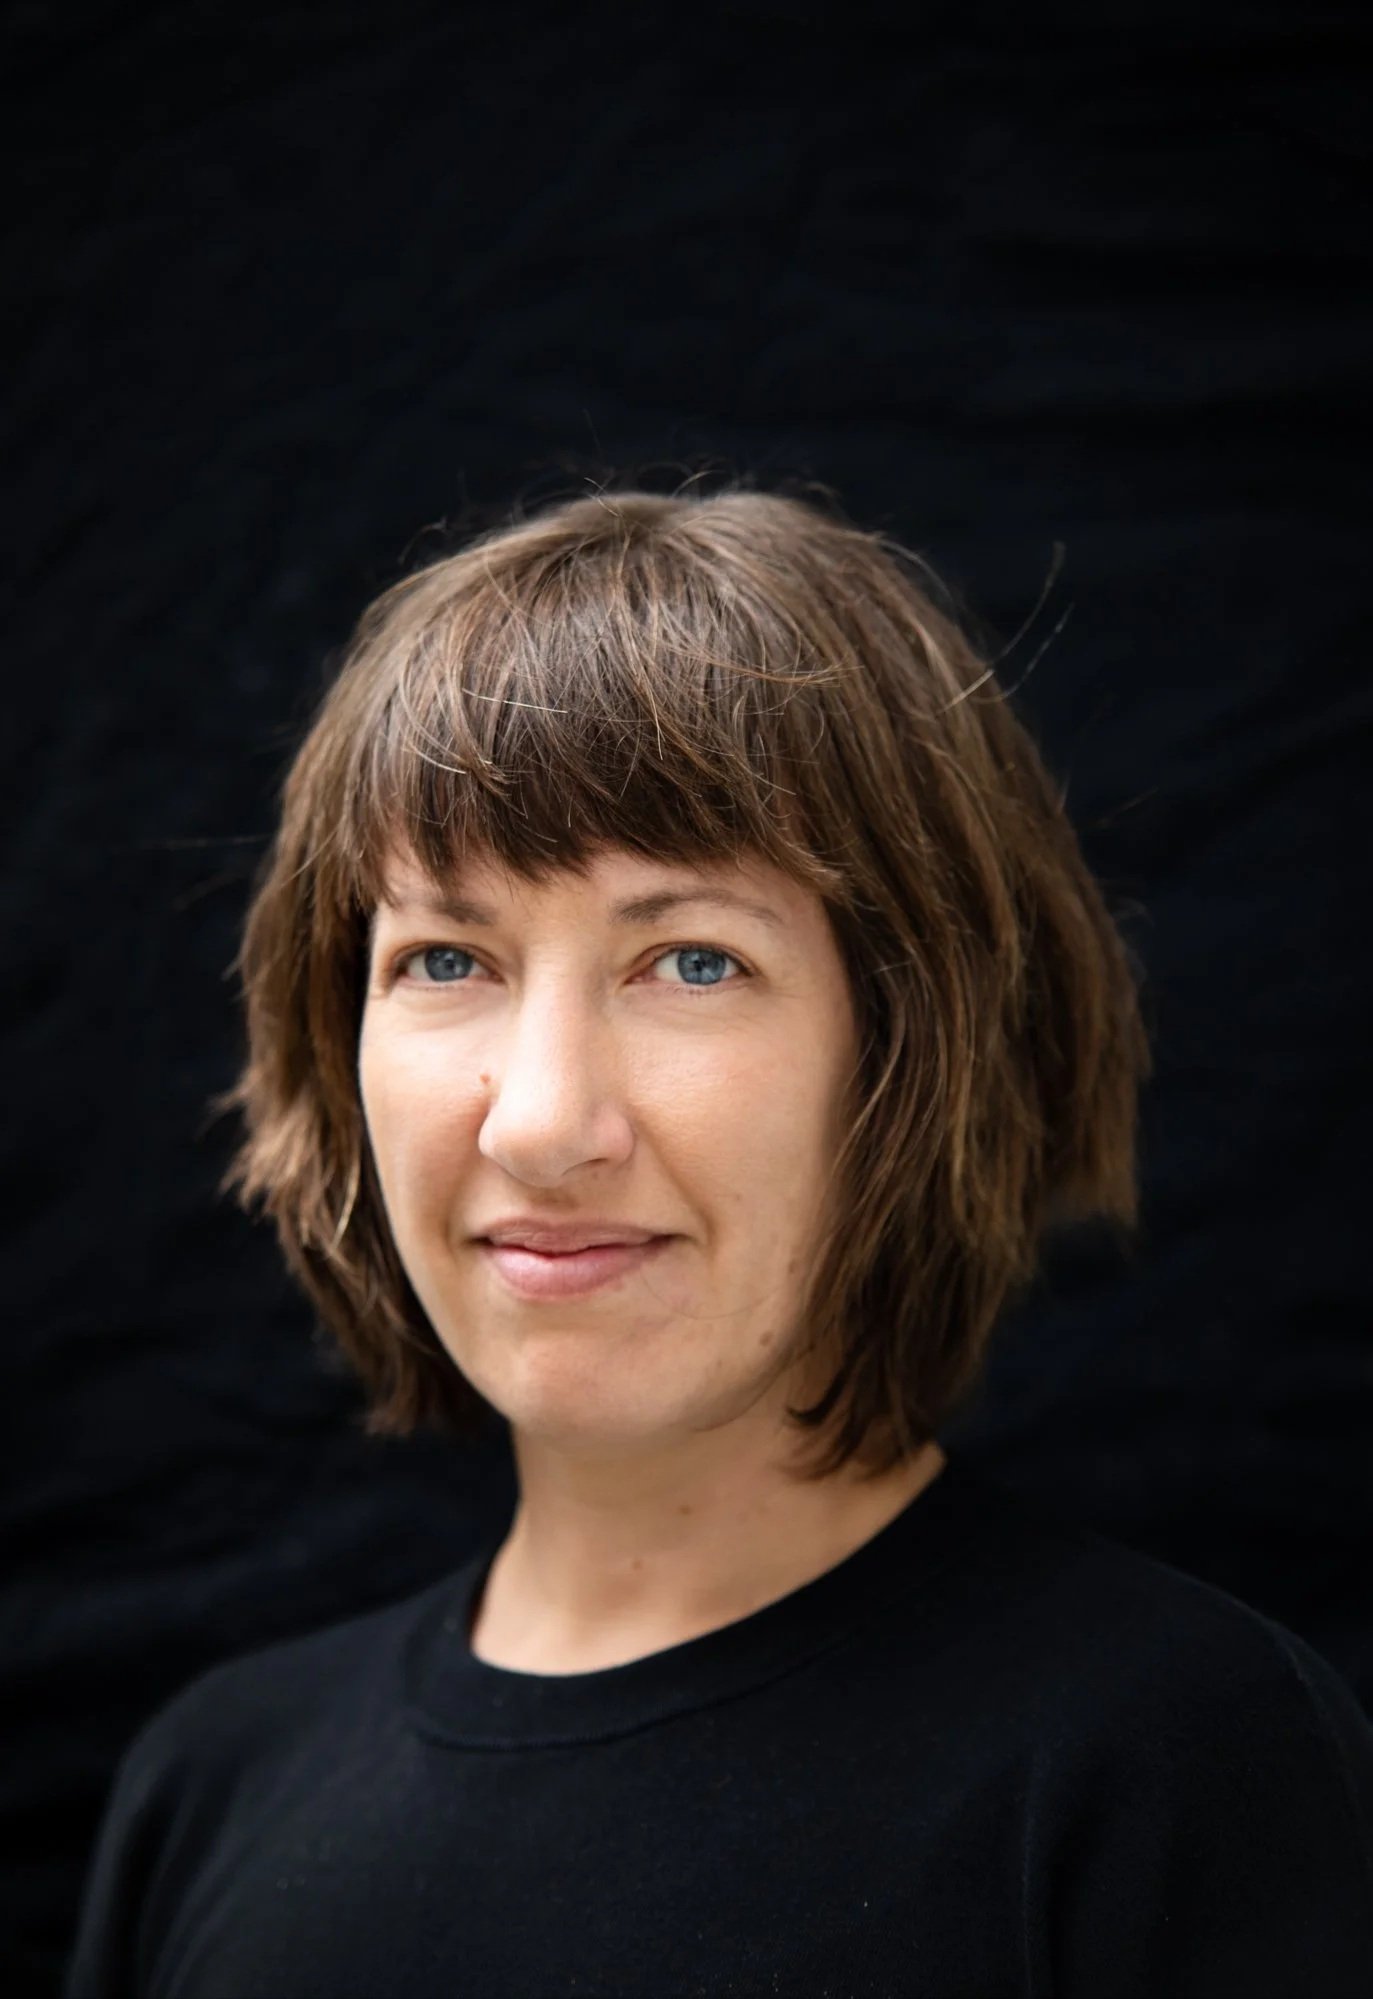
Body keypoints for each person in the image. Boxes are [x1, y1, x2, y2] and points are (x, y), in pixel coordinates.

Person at [65, 484, 1373, 1997]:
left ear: (916, 1048)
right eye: (445, 958)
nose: (540, 1125)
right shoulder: (213, 1785)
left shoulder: (1182, 1774)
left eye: (692, 961)